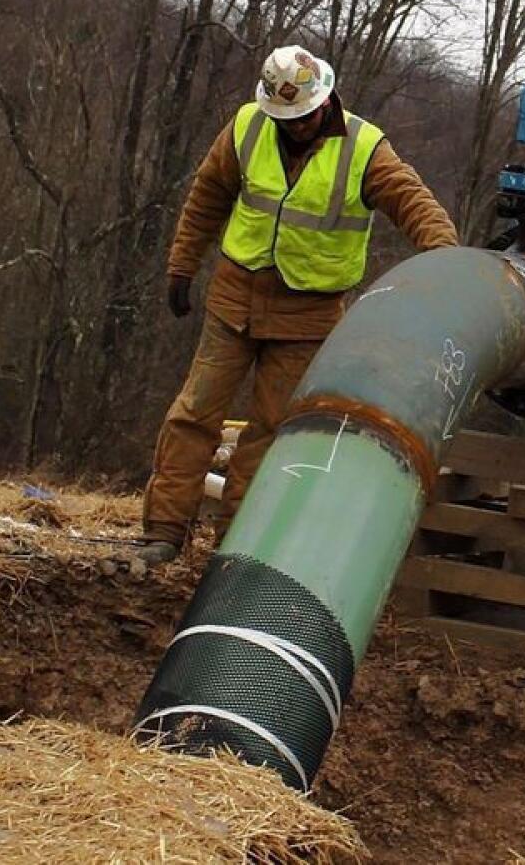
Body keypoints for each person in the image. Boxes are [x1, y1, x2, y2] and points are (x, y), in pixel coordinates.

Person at [136, 45, 459, 565]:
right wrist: (182, 265)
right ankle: (163, 532)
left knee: (270, 431)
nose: (298, 125)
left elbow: (413, 202)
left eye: (305, 115)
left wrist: (444, 260)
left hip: (308, 315)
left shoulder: (365, 148)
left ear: (324, 100)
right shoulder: (247, 127)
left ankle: (236, 548)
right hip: (234, 297)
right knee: (194, 414)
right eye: (288, 117)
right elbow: (207, 197)